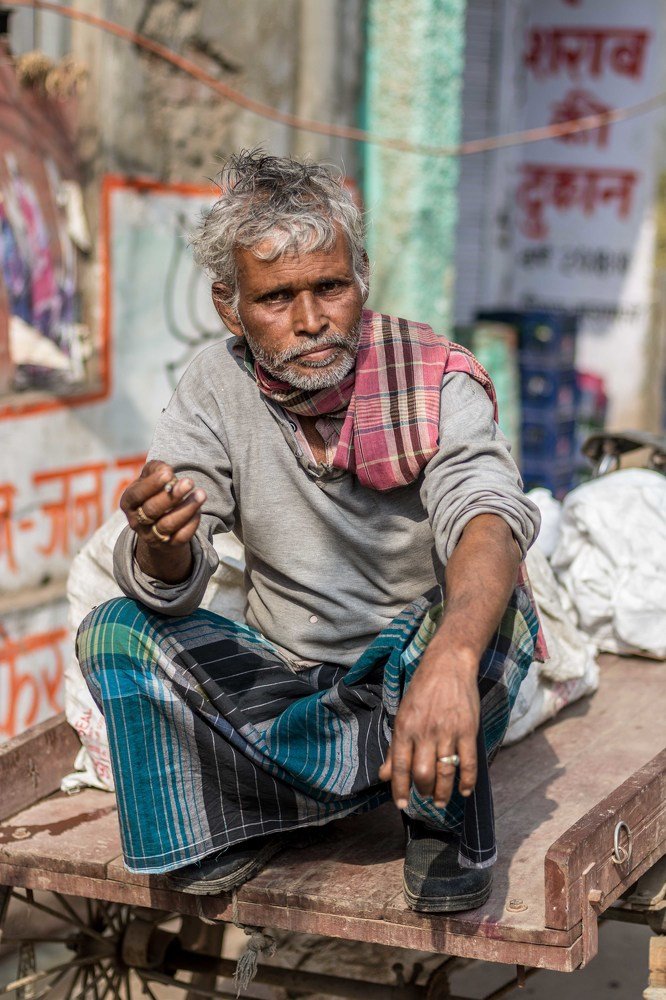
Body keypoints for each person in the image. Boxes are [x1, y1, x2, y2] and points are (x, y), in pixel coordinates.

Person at [77, 150, 545, 914]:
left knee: (499, 619)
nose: (310, 320)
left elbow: (486, 510)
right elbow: (175, 570)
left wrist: (452, 658)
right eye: (277, 298)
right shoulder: (213, 383)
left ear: (361, 278)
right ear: (231, 307)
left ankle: (379, 806)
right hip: (287, 675)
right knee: (115, 631)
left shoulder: (433, 374)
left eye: (330, 286)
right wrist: (163, 539)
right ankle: (340, 788)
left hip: (413, 671)